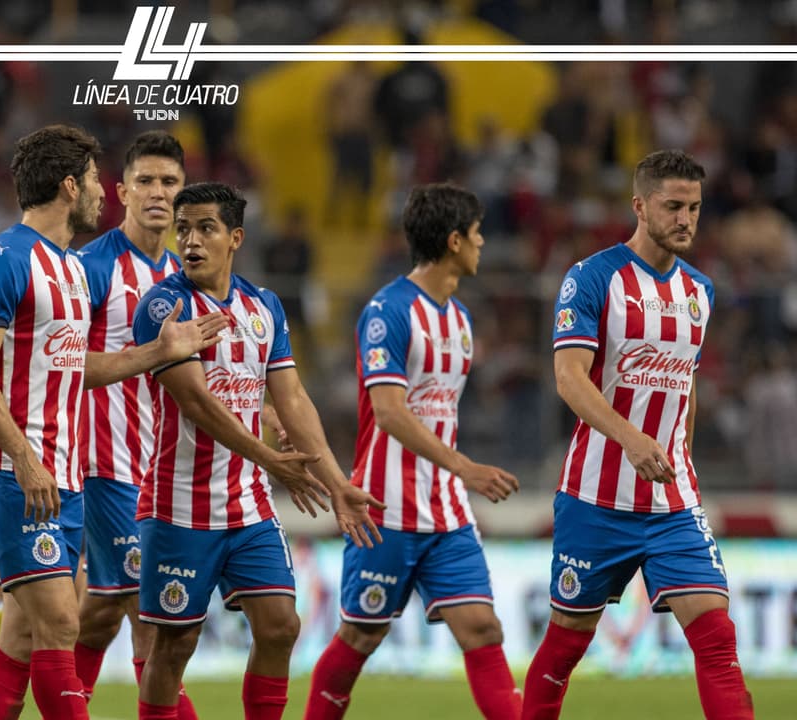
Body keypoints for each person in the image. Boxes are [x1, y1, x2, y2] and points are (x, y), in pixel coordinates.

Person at [0, 124, 230, 720]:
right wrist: (24, 459)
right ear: (69, 186)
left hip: (68, 475)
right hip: (20, 470)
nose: (105, 193)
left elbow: (77, 365)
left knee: (26, 634)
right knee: (65, 622)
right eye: (99, 181)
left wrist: (159, 351)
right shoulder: (4, 260)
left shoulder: (70, 269)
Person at [130, 182, 382, 720]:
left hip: (248, 507)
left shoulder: (263, 307)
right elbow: (196, 402)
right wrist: (269, 459)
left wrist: (338, 485)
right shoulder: (164, 307)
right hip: (180, 508)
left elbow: (292, 399)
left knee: (281, 626)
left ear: (235, 237)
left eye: (206, 228)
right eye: (183, 229)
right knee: (173, 646)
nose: (190, 241)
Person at [521, 149, 753, 719]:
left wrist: (681, 457)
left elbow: (685, 383)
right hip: (595, 500)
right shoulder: (592, 278)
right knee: (565, 646)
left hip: (673, 502)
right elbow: (569, 378)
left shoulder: (700, 291)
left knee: (718, 639)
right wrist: (630, 438)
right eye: (673, 206)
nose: (686, 219)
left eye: (694, 207)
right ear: (640, 206)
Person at [303, 183, 523, 720]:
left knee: (483, 628)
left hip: (446, 513)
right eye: (476, 233)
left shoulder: (461, 319)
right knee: (361, 636)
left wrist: (454, 475)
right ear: (454, 241)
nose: (483, 242)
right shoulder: (388, 311)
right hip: (385, 510)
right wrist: (464, 466)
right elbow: (389, 412)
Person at [72, 130, 198, 716]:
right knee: (152, 617)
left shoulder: (185, 275)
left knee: (99, 615)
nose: (157, 192)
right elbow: (62, 365)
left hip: (164, 472)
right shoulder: (90, 268)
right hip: (106, 466)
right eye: (145, 181)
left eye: (169, 182)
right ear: (121, 191)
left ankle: (61, 697)